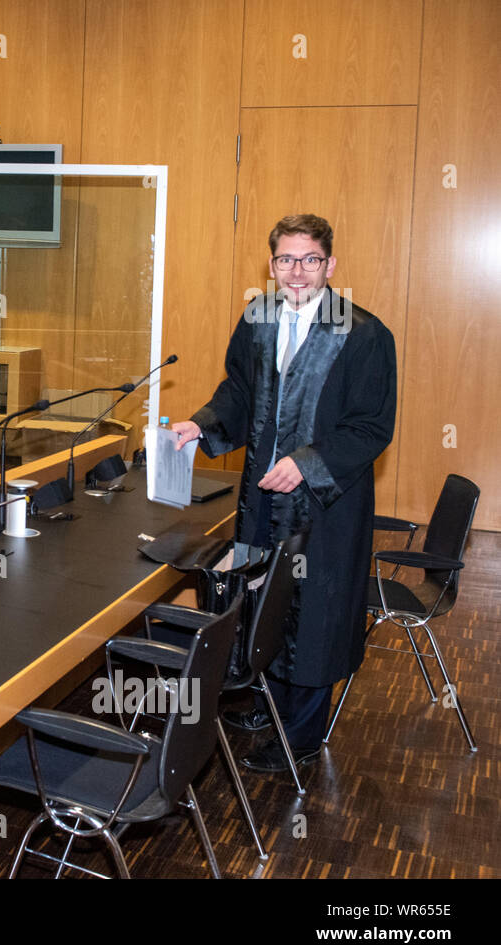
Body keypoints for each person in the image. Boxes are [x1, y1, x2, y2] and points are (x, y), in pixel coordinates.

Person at [171, 213, 397, 772]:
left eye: (310, 260)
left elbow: (371, 426)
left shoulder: (365, 334)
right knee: (261, 601)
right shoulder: (258, 318)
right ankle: (269, 706)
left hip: (327, 504)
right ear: (271, 265)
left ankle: (302, 736)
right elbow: (238, 392)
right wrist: (201, 425)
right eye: (286, 260)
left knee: (314, 613)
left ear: (331, 265)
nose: (297, 272)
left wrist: (307, 463)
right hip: (263, 497)